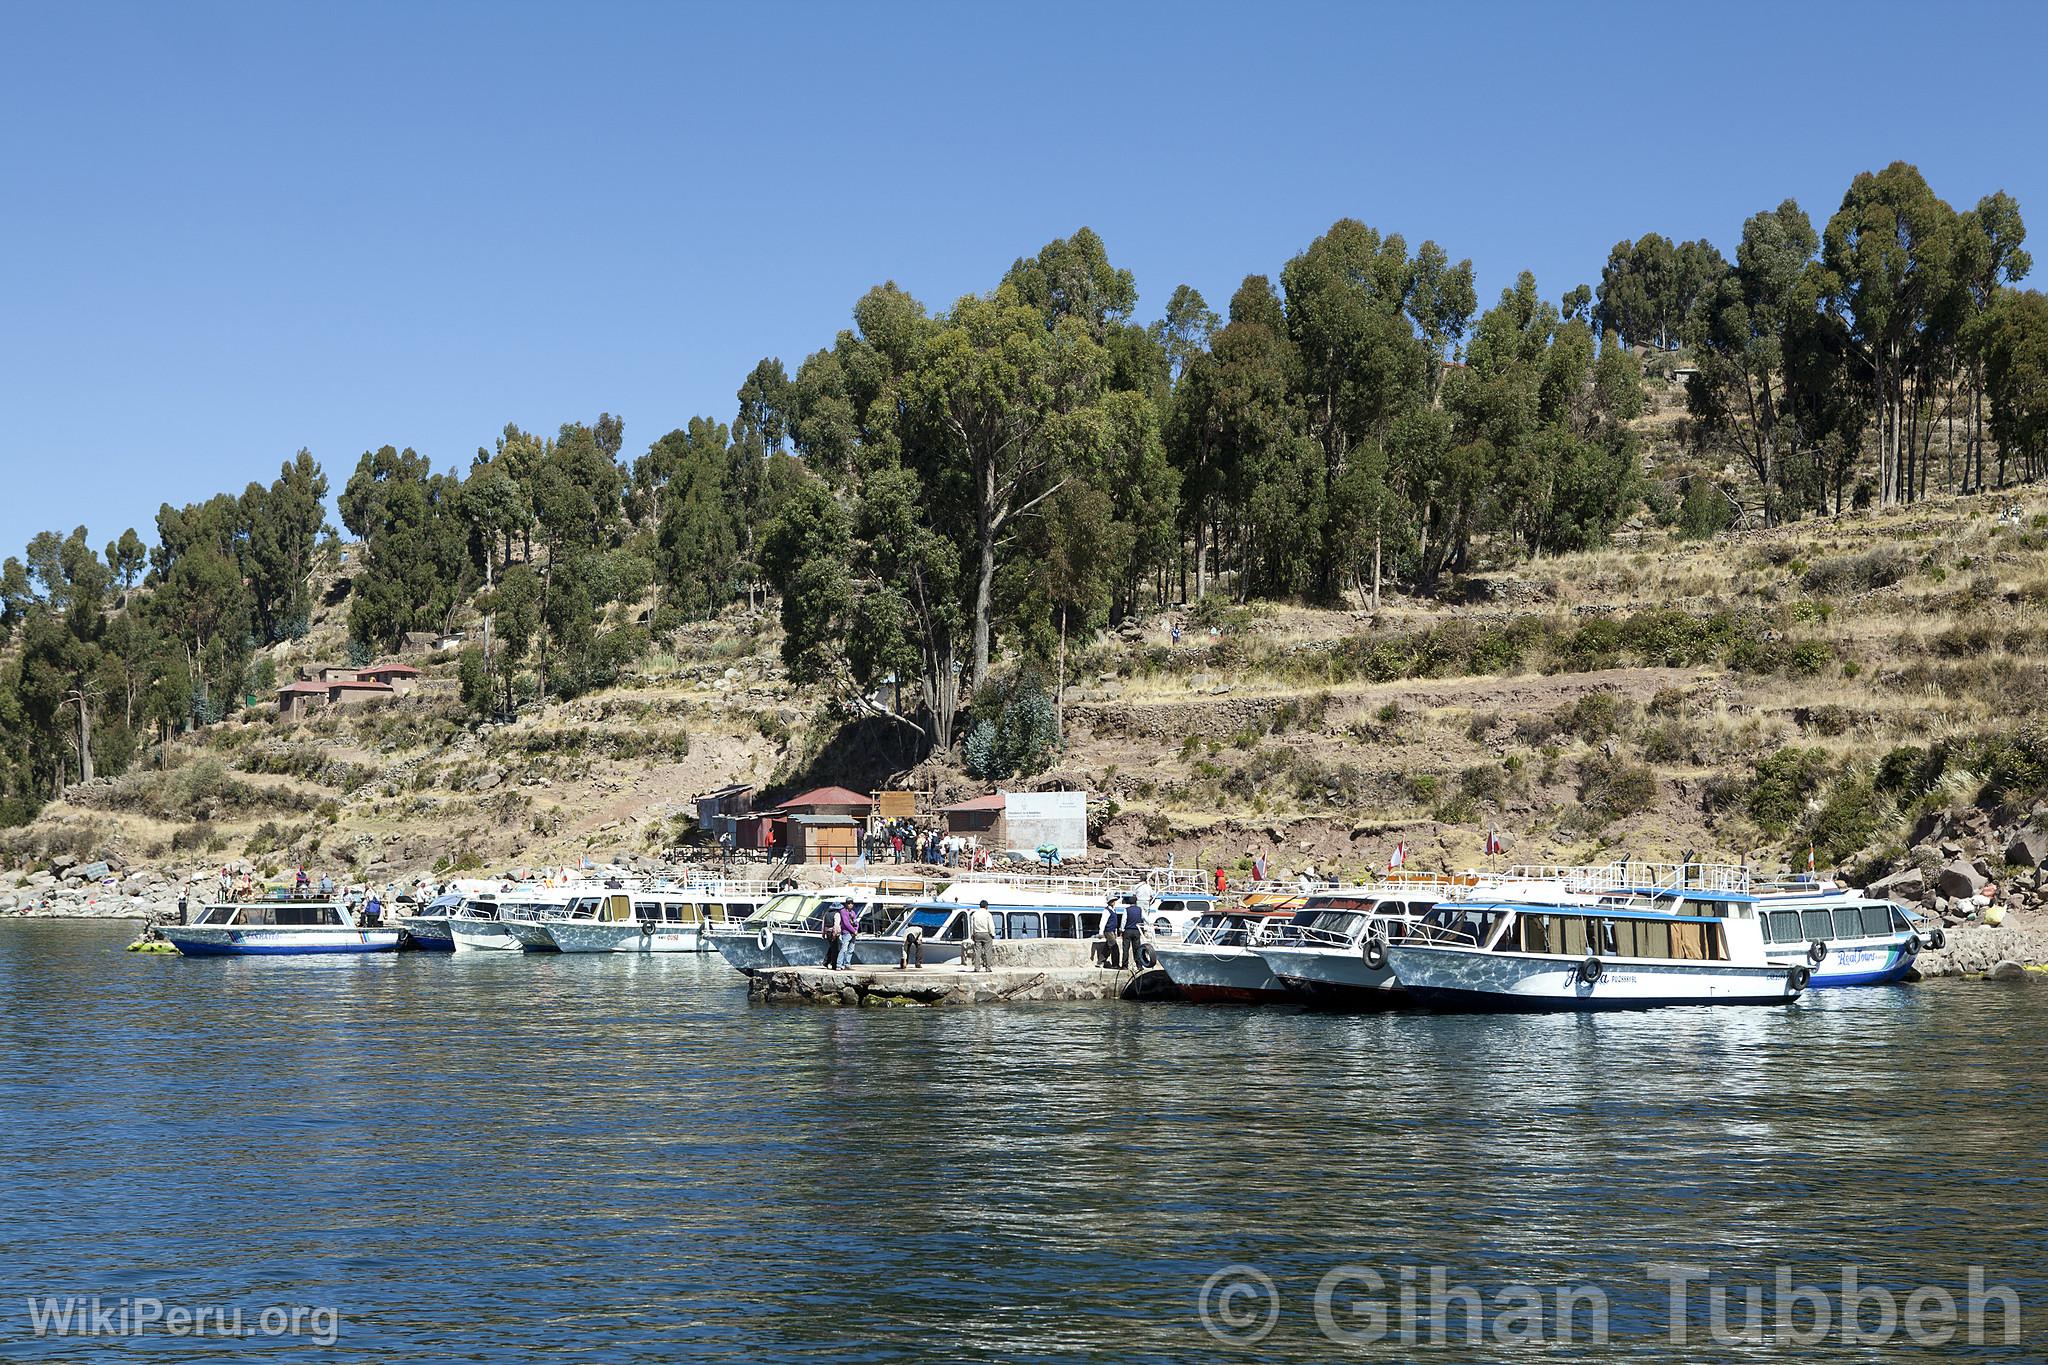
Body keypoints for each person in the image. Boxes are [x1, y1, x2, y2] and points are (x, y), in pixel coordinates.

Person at [966, 899, 996, 972]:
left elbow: (972, 926)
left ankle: (977, 968)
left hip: (977, 934)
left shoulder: (974, 914)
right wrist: (992, 934)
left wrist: (972, 934)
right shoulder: (988, 914)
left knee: (977, 951)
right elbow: (991, 925)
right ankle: (988, 968)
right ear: (986, 906)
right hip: (986, 933)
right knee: (987, 951)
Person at [1121, 896, 1146, 971]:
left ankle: (1125, 965)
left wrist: (1122, 929)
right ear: (1136, 902)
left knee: (1126, 948)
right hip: (1136, 931)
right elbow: (1145, 918)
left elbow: (1123, 920)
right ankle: (1139, 965)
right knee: (1137, 948)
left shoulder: (1126, 910)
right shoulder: (1140, 909)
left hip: (1128, 931)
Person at [822, 900, 843, 970]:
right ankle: (834, 965)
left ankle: (826, 962)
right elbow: (836, 926)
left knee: (832, 947)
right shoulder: (837, 914)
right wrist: (834, 934)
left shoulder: (826, 914)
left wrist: (823, 934)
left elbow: (823, 925)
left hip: (827, 932)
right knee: (835, 950)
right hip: (833, 933)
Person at [836, 899, 859, 964]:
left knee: (851, 950)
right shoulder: (843, 911)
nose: (850, 905)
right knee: (843, 949)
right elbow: (846, 924)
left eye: (851, 903)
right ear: (846, 904)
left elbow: (856, 922)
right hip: (846, 933)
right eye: (848, 903)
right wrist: (854, 931)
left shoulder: (853, 912)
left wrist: (856, 930)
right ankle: (839, 964)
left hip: (853, 933)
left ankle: (847, 963)